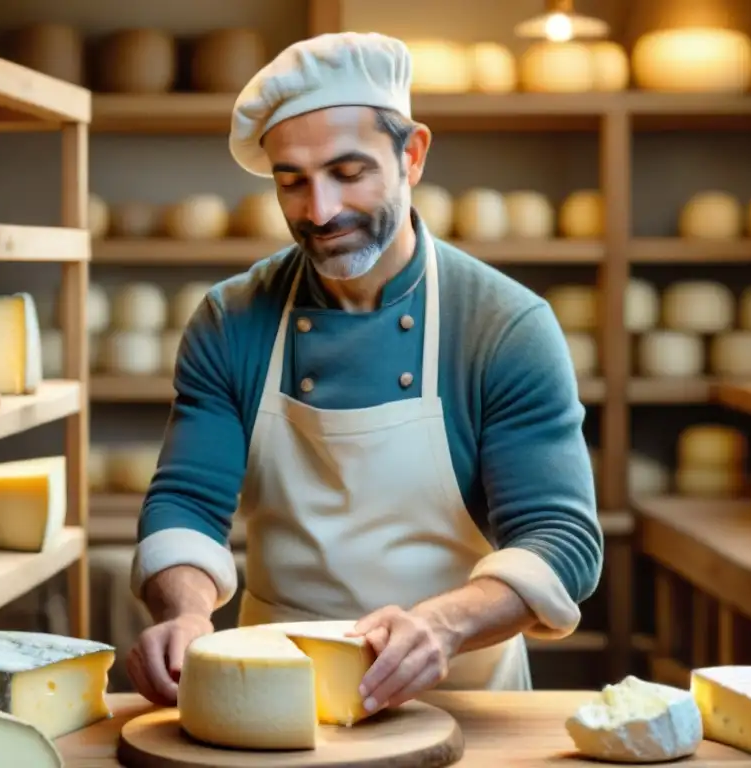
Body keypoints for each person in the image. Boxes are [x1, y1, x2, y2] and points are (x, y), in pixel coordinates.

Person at [126, 31, 603, 714]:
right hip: (273, 692)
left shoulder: (504, 326)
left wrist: (443, 624)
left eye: (349, 174)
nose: (320, 212)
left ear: (412, 154)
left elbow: (562, 539)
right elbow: (186, 504)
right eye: (292, 182)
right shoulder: (232, 319)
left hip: (459, 690)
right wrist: (187, 612)